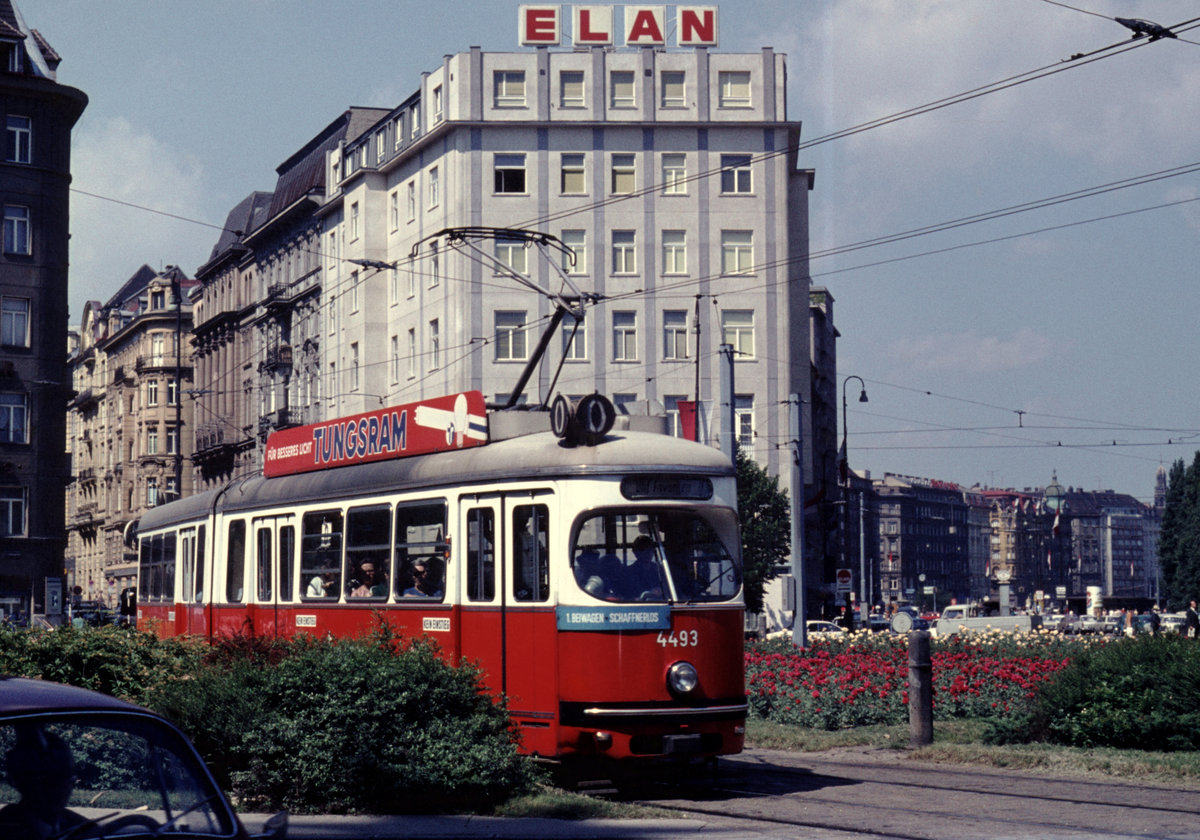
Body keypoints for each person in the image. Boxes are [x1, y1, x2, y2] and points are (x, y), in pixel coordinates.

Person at [0, 729, 87, 840]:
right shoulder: (7, 828)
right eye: (54, 777)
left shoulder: (78, 824)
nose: (66, 784)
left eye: (69, 774)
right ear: (25, 781)